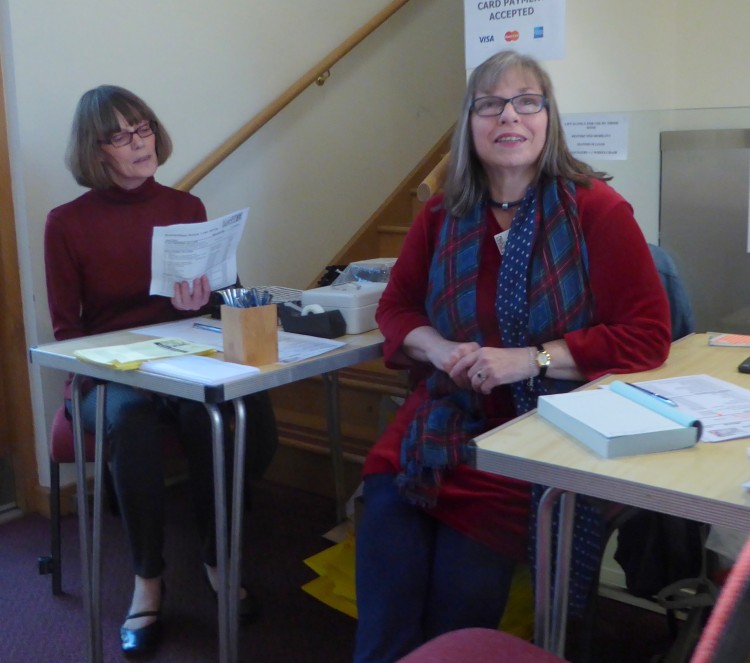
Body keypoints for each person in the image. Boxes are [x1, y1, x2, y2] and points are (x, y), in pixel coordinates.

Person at [353, 50, 672, 662]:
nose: (510, 116)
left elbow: (647, 333)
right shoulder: (444, 212)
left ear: (549, 119)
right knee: (386, 612)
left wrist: (530, 359)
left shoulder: (596, 211)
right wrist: (441, 349)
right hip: (436, 424)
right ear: (469, 123)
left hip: (530, 437)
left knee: (456, 618)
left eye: (528, 102)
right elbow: (395, 309)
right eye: (490, 104)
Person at [44, 85, 278, 658]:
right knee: (131, 421)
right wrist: (116, 362)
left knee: (229, 414)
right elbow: (66, 333)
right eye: (121, 135)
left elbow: (218, 303)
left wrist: (201, 302)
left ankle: (216, 557)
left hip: (182, 359)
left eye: (143, 127)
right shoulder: (66, 223)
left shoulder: (185, 208)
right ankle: (147, 579)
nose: (138, 142)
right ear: (96, 150)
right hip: (109, 372)